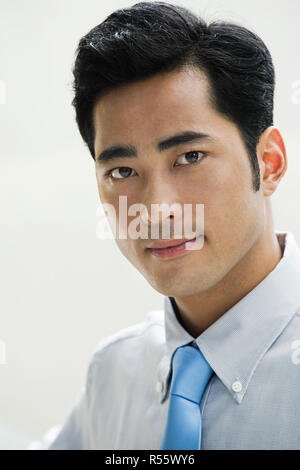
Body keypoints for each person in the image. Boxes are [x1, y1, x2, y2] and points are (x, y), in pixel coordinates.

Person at [29, 1, 300, 450]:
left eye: (190, 157)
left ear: (268, 163)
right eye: (122, 172)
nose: (155, 210)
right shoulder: (115, 375)